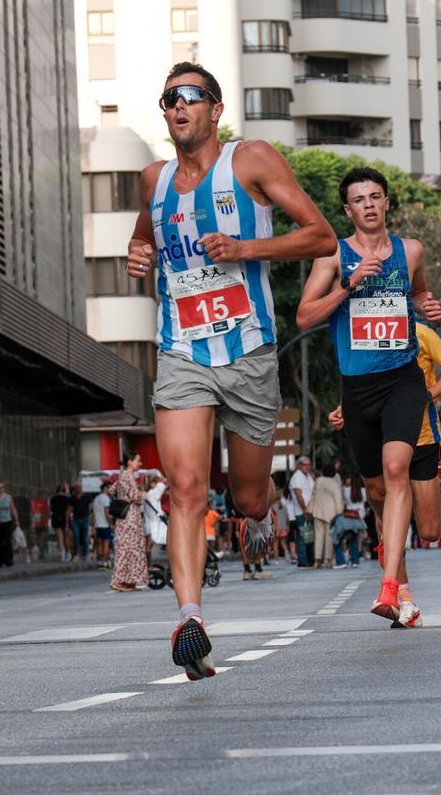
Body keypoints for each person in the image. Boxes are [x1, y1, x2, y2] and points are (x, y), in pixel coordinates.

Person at [125, 62, 337, 680]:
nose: (177, 108)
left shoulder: (252, 161)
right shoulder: (153, 181)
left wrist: (247, 249)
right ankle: (191, 618)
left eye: (190, 98)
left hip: (248, 353)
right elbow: (145, 243)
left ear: (215, 110)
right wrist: (137, 256)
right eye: (168, 100)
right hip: (182, 351)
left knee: (244, 496)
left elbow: (321, 236)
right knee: (188, 488)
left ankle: (262, 511)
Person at [296, 166, 441, 622]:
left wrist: (427, 306)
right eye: (359, 199)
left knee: (395, 471)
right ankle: (402, 586)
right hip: (358, 388)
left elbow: (417, 295)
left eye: (375, 196)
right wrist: (350, 283)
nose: (369, 205)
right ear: (348, 210)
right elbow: (303, 317)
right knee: (377, 491)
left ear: (386, 202)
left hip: (402, 379)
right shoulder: (333, 257)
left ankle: (387, 587)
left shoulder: (411, 250)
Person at [328, 318, 441, 625]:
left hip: (424, 437)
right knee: (385, 513)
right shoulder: (367, 330)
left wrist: (424, 395)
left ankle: (395, 539)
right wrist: (344, 407)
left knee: (429, 531)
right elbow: (364, 383)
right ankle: (404, 598)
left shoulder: (421, 333)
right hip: (385, 440)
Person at [110, 454, 148, 592]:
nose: (140, 463)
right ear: (129, 461)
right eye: (138, 460)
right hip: (129, 518)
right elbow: (135, 496)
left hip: (129, 518)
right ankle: (119, 580)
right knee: (127, 548)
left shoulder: (125, 477)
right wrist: (143, 494)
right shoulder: (126, 476)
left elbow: (111, 490)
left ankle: (129, 580)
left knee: (131, 548)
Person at [309, 463, 342, 569]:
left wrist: (310, 509)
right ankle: (328, 560)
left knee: (318, 537)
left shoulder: (318, 481)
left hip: (317, 511)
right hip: (331, 514)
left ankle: (317, 560)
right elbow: (338, 500)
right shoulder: (334, 483)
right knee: (329, 537)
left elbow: (313, 495)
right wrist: (339, 513)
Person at [288, 457, 314, 566]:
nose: (307, 466)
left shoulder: (307, 476)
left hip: (309, 510)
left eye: (309, 464)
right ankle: (303, 561)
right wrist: (305, 510)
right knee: (303, 536)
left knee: (308, 535)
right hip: (302, 511)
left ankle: (308, 559)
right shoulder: (298, 476)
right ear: (299, 465)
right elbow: (298, 495)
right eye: (305, 464)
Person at [91, 481, 113, 569]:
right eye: (110, 488)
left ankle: (100, 562)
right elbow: (106, 512)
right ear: (105, 488)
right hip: (105, 525)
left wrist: (93, 525)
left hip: (97, 525)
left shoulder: (96, 498)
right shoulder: (106, 498)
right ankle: (105, 563)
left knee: (99, 544)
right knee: (106, 544)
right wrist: (111, 523)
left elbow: (93, 513)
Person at [49, 483, 73, 562]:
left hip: (56, 518)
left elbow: (51, 509)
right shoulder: (67, 499)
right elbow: (68, 510)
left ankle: (62, 554)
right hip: (65, 518)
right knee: (66, 537)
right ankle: (68, 553)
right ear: (64, 490)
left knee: (60, 537)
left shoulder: (53, 499)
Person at [69, 483, 92, 561]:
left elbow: (90, 508)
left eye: (80, 487)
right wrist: (68, 521)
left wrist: (91, 518)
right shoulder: (72, 498)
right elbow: (70, 509)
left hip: (85, 519)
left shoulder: (87, 497)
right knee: (76, 537)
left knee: (85, 538)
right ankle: (76, 554)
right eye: (77, 487)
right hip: (76, 520)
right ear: (75, 489)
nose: (79, 489)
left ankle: (85, 554)